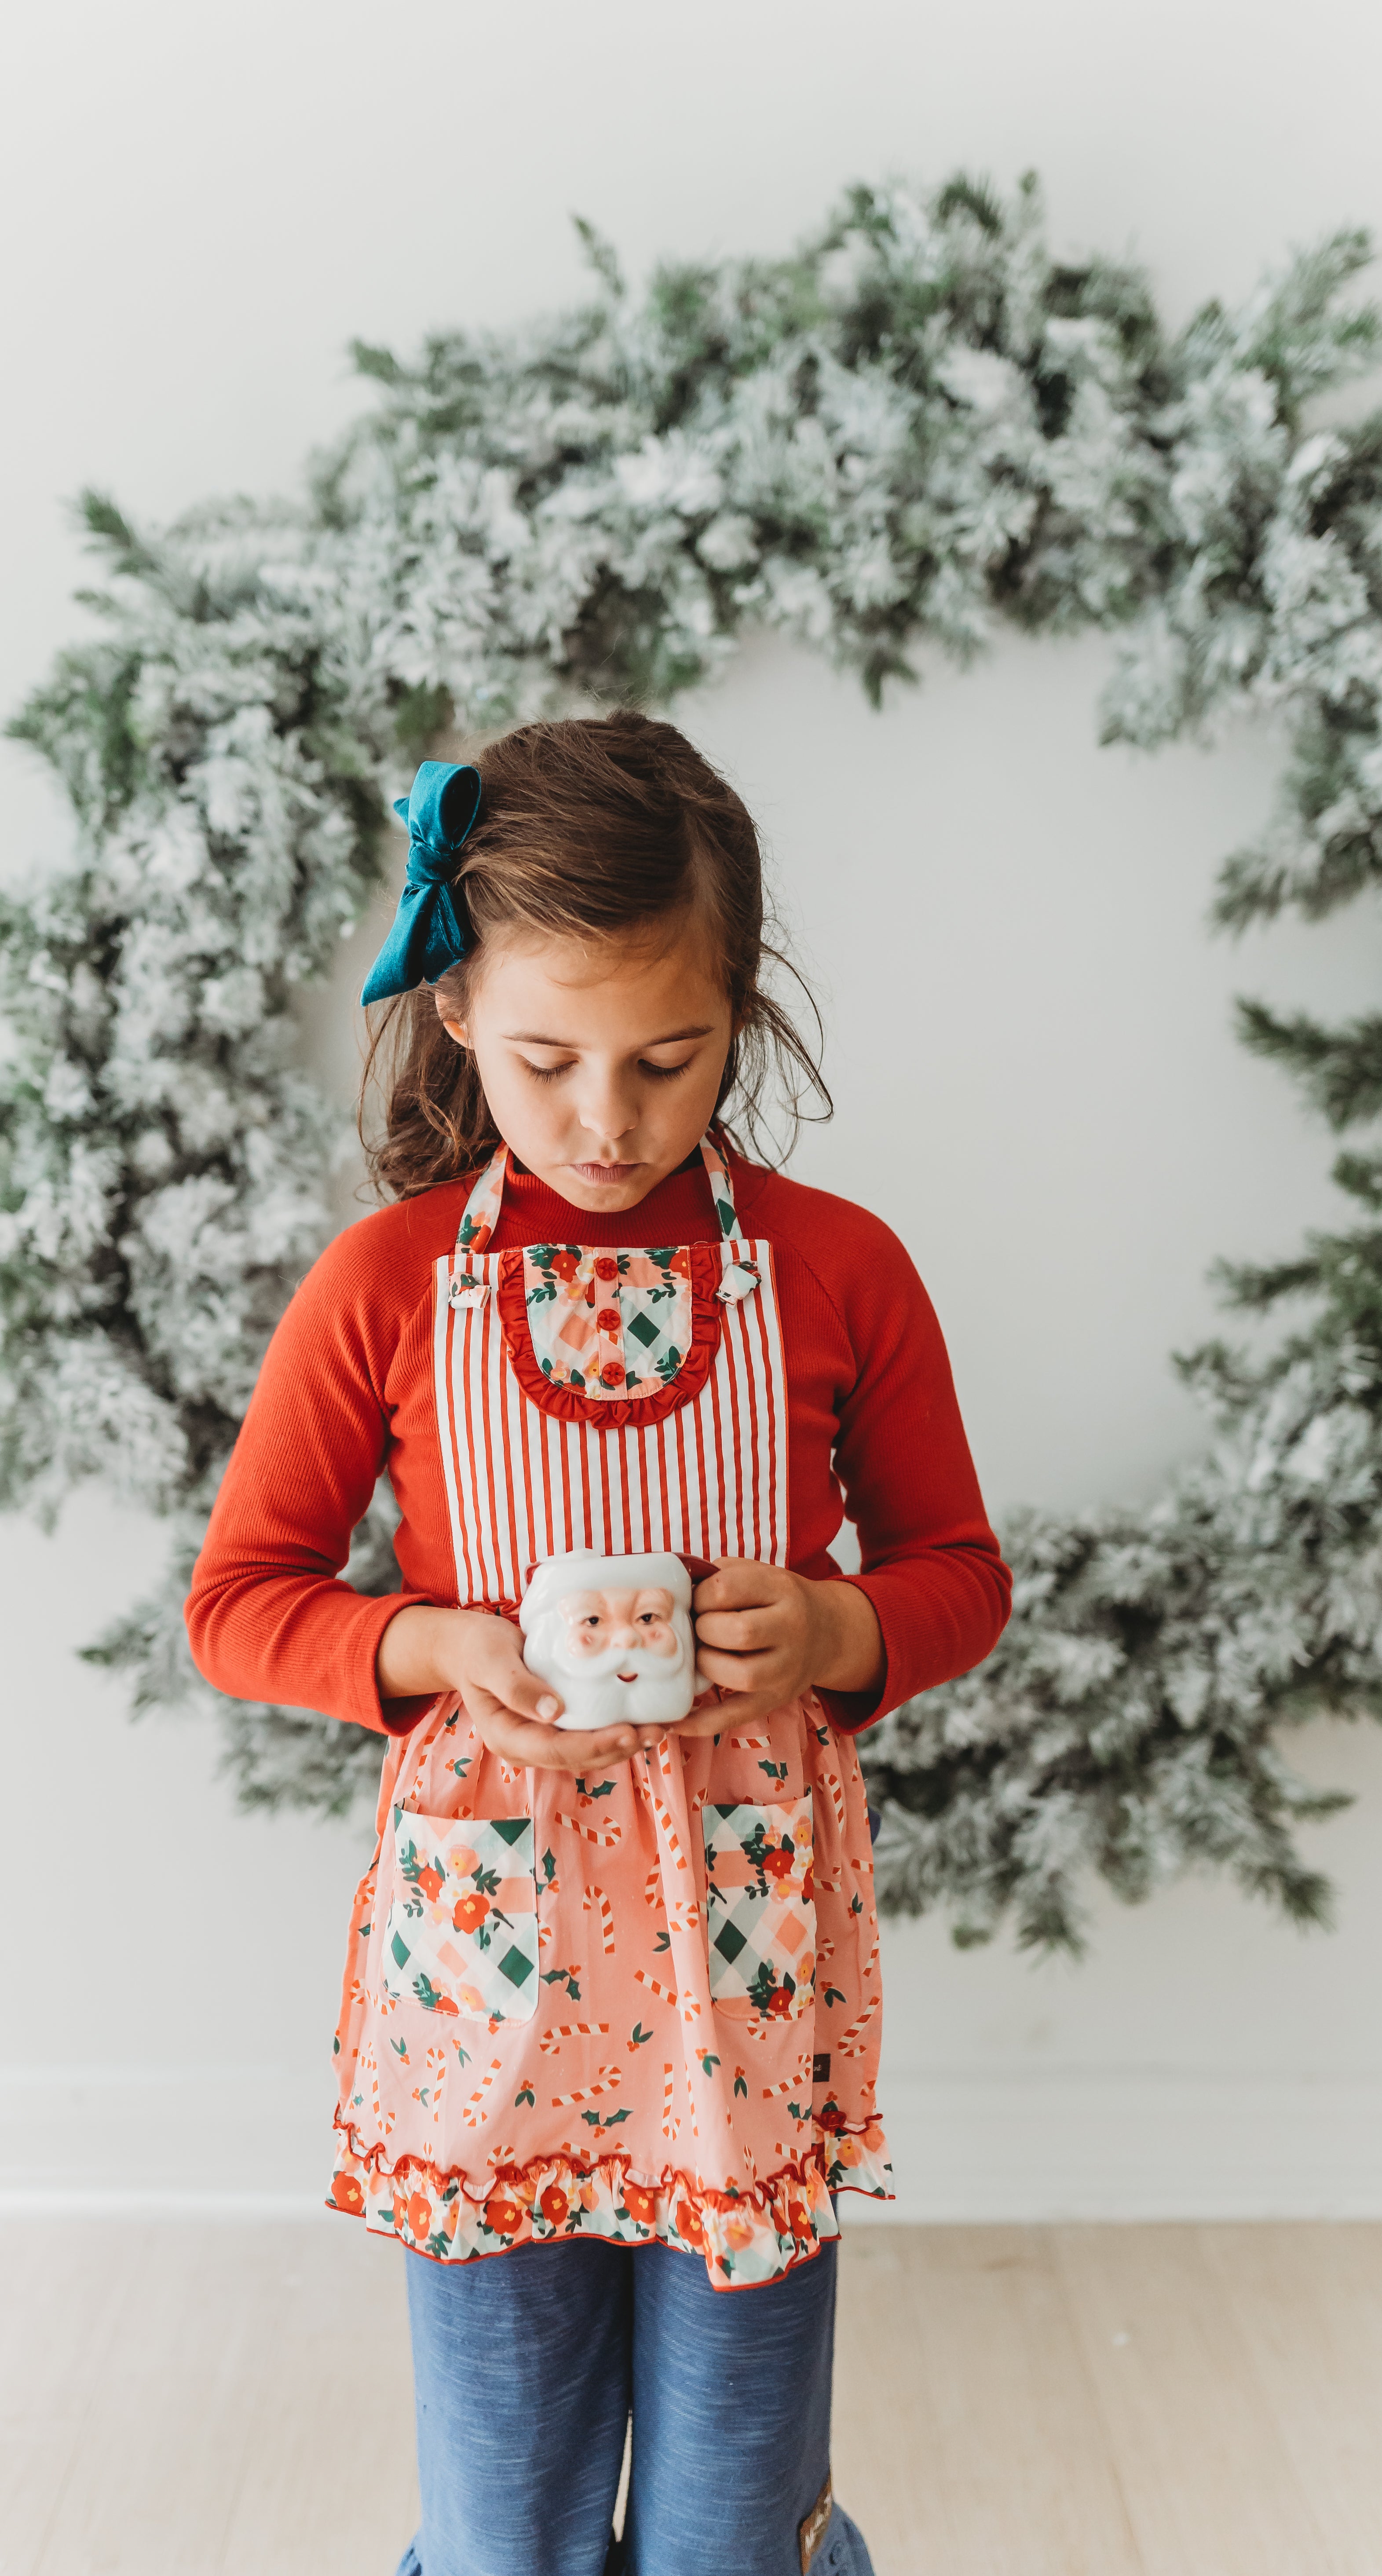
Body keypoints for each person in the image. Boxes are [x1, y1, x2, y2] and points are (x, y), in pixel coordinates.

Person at [186, 712, 1011, 2576]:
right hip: (490, 1991)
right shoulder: (385, 1284)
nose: (610, 1121)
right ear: (458, 1008)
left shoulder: (838, 1269)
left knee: (735, 2516)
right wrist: (426, 1652)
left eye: (671, 1059)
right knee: (508, 2521)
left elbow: (958, 1567)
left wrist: (832, 1625)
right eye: (549, 1061)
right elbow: (241, 1603)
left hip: (747, 1990)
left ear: (745, 1014)